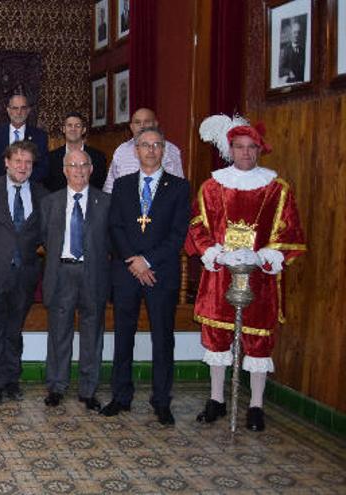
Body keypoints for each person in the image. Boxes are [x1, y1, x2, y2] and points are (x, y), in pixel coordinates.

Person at [189, 115, 306, 431]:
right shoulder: (212, 187)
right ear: (230, 149)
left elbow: (290, 230)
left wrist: (265, 254)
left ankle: (255, 405)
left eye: (251, 147)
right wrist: (213, 252)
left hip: (259, 276)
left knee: (258, 343)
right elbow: (198, 225)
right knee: (216, 340)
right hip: (221, 275)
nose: (245, 153)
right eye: (239, 147)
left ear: (259, 150)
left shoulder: (277, 189)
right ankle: (216, 399)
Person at [101, 127, 190, 426]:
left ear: (163, 150)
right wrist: (133, 261)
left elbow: (178, 234)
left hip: (160, 273)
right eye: (145, 145)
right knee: (123, 335)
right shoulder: (123, 185)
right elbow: (115, 227)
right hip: (127, 273)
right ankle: (120, 395)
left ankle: (162, 400)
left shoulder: (178, 187)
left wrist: (148, 261)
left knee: (162, 338)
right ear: (136, 150)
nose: (151, 150)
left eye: (156, 145)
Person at [0, 141, 49, 405]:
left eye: (28, 162)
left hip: (26, 276)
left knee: (14, 331)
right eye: (17, 161)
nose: (22, 167)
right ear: (6, 162)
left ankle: (11, 380)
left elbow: (46, 235)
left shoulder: (42, 194)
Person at [40, 149, 110, 411]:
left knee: (92, 333)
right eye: (73, 165)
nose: (79, 170)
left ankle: (88, 390)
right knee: (59, 332)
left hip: (94, 274)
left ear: (91, 169)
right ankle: (56, 386)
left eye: (84, 165)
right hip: (62, 273)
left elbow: (111, 241)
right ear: (64, 170)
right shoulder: (51, 202)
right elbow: (46, 238)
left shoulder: (106, 202)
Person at [102, 108, 184, 193]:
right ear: (131, 127)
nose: (142, 126)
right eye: (137, 122)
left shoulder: (170, 150)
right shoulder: (121, 151)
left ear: (155, 124)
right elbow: (109, 188)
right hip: (126, 203)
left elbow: (178, 187)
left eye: (147, 122)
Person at [0, 94, 50, 181]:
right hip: (0, 187)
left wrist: (23, 180)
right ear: (8, 110)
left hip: (29, 186)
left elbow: (43, 168)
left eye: (23, 108)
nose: (19, 112)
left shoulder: (40, 136)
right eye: (15, 108)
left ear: (28, 110)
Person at [44, 112, 108, 192]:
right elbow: (48, 187)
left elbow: (100, 187)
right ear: (63, 129)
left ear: (83, 130)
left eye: (77, 126)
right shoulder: (51, 158)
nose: (73, 129)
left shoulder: (98, 157)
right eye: (69, 125)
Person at [279, 18, 305, 84]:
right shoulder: (286, 50)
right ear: (291, 34)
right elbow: (280, 70)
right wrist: (289, 72)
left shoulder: (303, 50)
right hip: (291, 82)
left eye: (299, 33)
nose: (297, 35)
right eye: (295, 32)